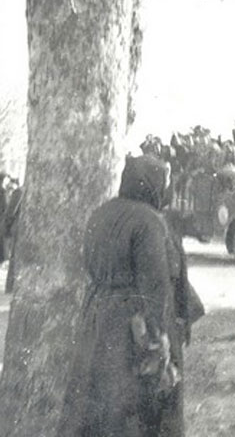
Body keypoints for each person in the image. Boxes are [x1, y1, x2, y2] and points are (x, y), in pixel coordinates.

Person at [61, 154, 203, 436]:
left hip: (97, 319)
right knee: (142, 409)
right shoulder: (149, 220)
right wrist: (160, 338)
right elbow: (156, 285)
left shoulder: (100, 213)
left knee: (95, 402)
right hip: (134, 326)